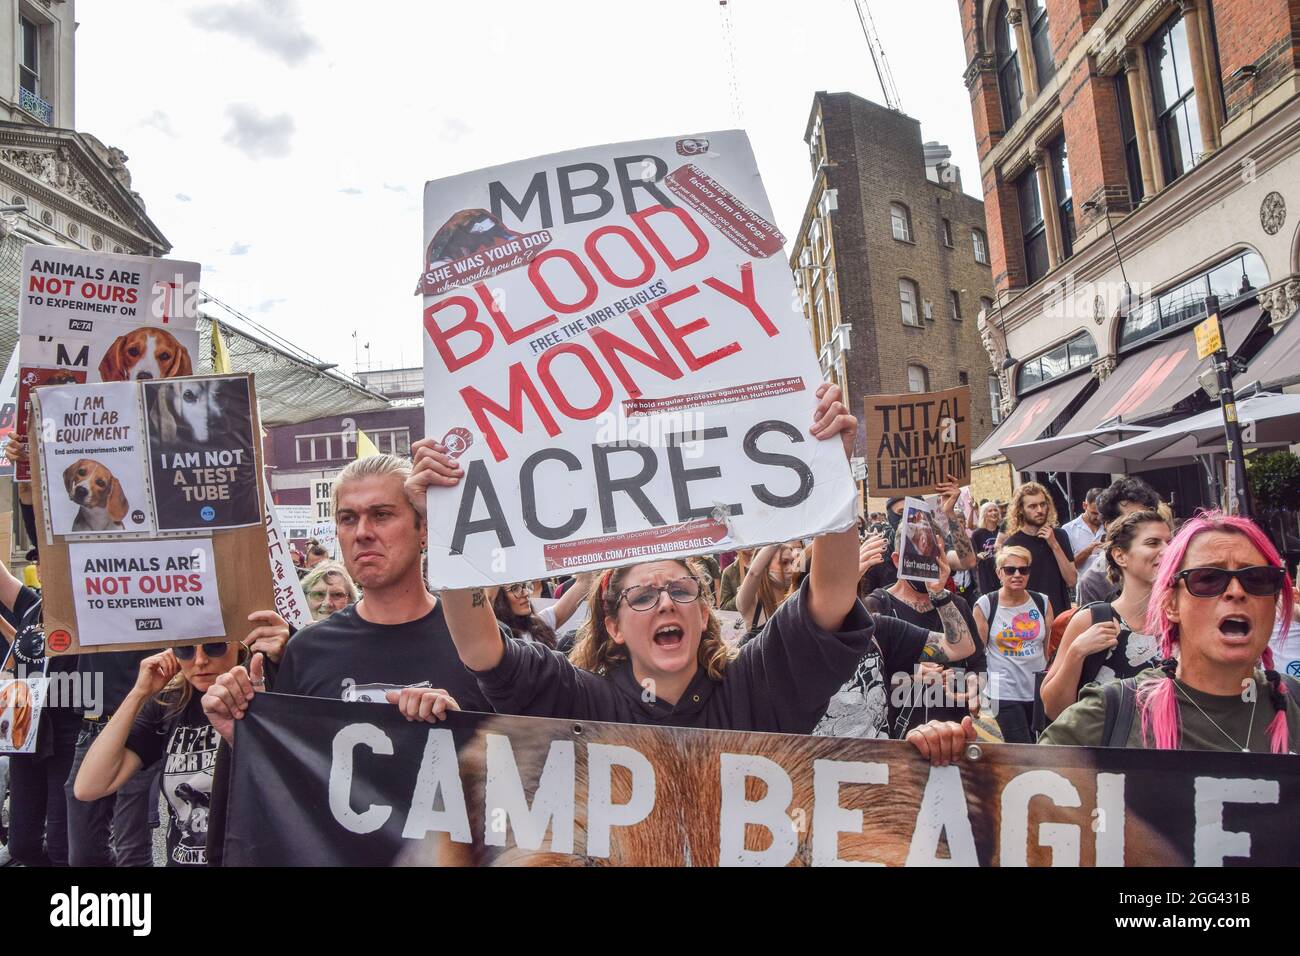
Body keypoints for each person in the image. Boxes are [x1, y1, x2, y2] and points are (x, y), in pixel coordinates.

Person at [414, 384, 974, 764]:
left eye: (681, 590)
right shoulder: (581, 700)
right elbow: (480, 647)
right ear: (610, 624)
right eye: (642, 596)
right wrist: (448, 525)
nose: (665, 603)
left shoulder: (754, 688)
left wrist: (830, 467)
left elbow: (829, 594)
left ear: (704, 610)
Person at [202, 454, 490, 743]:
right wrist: (248, 737)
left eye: (382, 515)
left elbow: (521, 768)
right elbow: (291, 778)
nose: (362, 533)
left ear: (424, 529)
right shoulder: (306, 650)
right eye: (348, 519)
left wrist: (459, 730)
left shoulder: (477, 643)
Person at [1040, 512, 1298, 752]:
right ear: (1171, 605)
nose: (1236, 591)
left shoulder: (1293, 704)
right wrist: (1076, 653)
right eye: (1207, 579)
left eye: (1257, 579)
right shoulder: (1113, 709)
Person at [73, 621, 282, 867]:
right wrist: (139, 693)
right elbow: (89, 787)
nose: (200, 660)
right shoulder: (169, 703)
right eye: (185, 649)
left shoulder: (265, 689)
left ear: (239, 644)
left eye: (214, 646)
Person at [822, 543, 982, 738]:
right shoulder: (876, 606)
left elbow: (966, 649)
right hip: (880, 740)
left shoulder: (880, 627)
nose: (929, 565)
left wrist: (939, 594)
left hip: (943, 730)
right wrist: (911, 678)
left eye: (935, 556)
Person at [1039, 510, 1171, 721]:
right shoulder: (1091, 620)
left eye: (1169, 542)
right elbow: (1054, 710)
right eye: (1153, 543)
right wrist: (1076, 652)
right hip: (1107, 751)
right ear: (1120, 556)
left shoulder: (1182, 620)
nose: (1167, 551)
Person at [973, 545, 1053, 743]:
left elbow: (1049, 649)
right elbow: (976, 655)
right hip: (1003, 689)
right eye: (1010, 570)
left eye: (1023, 570)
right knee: (1021, 747)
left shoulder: (1042, 602)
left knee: (1041, 746)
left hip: (1038, 689)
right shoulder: (986, 604)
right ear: (999, 573)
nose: (1017, 574)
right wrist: (975, 691)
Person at [1075, 477, 1162, 606]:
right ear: (1110, 526)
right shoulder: (1094, 582)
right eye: (1132, 520)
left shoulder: (1168, 561)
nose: (1143, 526)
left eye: (1147, 517)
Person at [996, 482, 1075, 618]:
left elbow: (1072, 580)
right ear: (1021, 510)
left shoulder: (1059, 536)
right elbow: (1009, 588)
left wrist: (1054, 544)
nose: (1039, 510)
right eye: (1032, 506)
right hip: (1028, 619)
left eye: (1043, 504)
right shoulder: (1013, 544)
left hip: (1059, 616)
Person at [493, 572, 594, 650]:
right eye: (515, 589)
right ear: (497, 599)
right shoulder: (495, 641)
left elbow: (583, 583)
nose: (525, 593)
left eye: (525, 586)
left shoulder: (539, 624)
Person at [735, 541, 798, 630]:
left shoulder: (795, 595)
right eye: (784, 562)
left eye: (792, 562)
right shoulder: (751, 601)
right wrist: (779, 537)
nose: (791, 569)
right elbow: (754, 573)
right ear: (765, 566)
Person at [1062, 487, 1105, 570]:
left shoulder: (1109, 526)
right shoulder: (1068, 529)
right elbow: (1066, 569)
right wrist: (1087, 551)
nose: (1099, 517)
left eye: (1102, 513)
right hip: (1081, 582)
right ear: (1084, 506)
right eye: (1094, 513)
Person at [970, 501, 1002, 598]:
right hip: (986, 575)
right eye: (990, 511)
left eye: (995, 510)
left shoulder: (1003, 531)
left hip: (1003, 572)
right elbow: (972, 557)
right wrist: (978, 556)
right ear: (984, 514)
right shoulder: (977, 534)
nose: (993, 513)